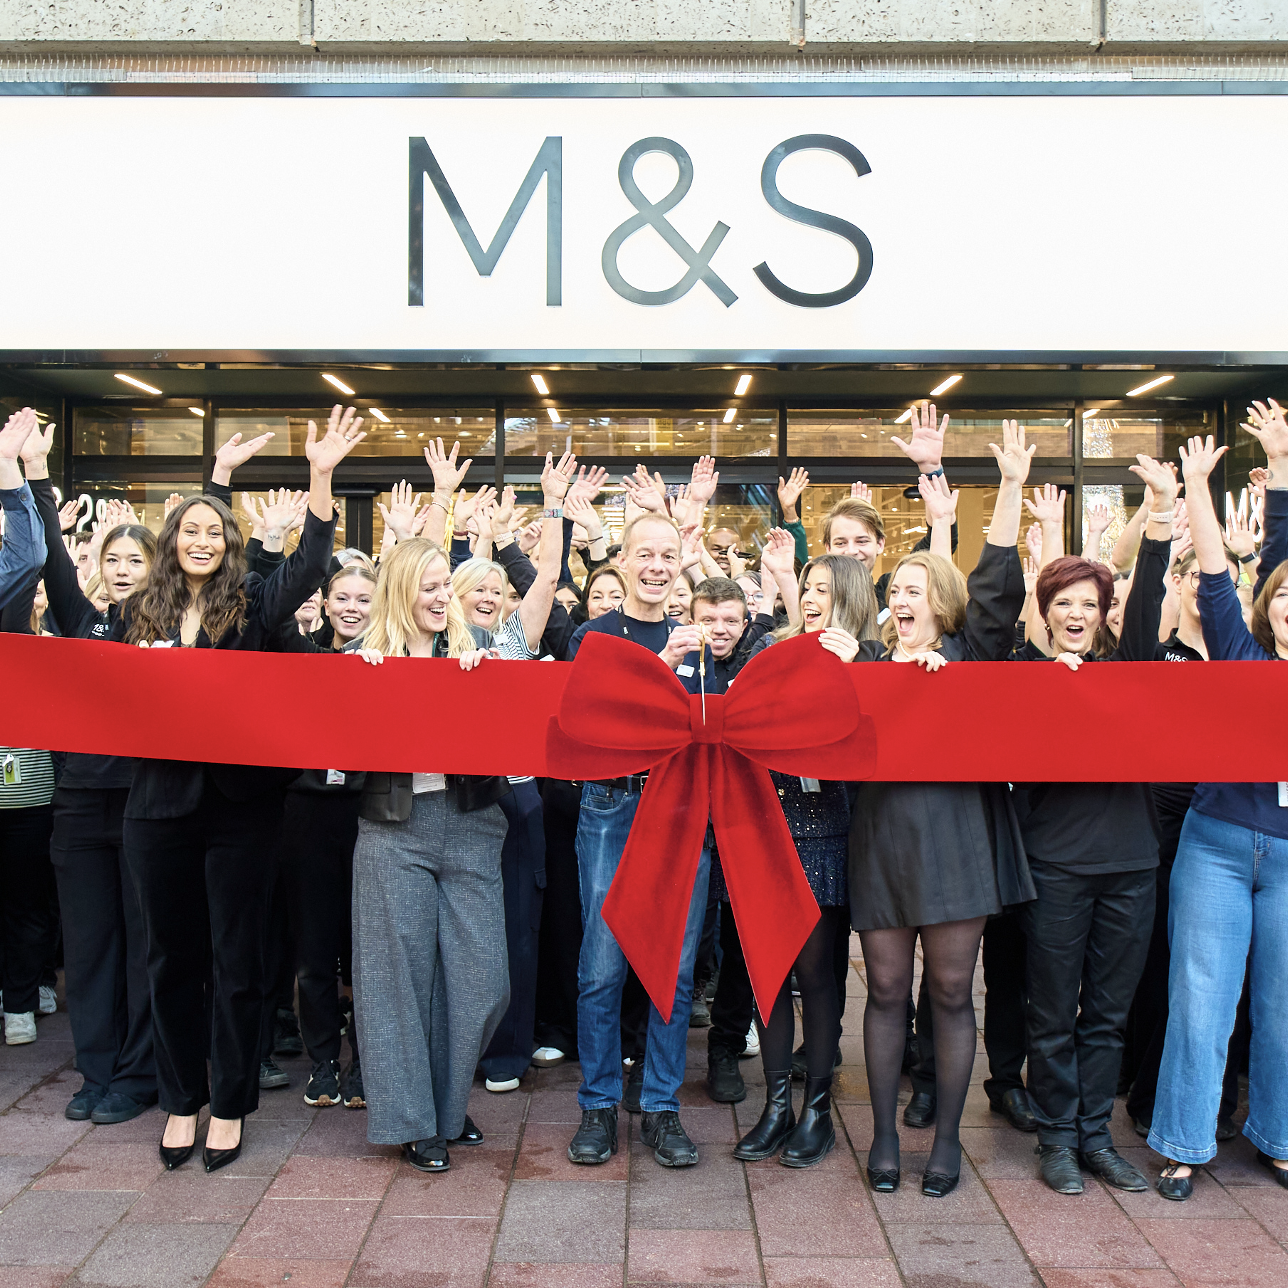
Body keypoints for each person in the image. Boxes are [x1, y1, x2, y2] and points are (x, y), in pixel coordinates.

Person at [114, 406, 359, 1175]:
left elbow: (308, 569)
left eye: (213, 533)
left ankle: (230, 1107)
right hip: (158, 810)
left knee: (238, 963)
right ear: (169, 542)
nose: (201, 542)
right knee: (169, 960)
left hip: (242, 812)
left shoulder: (250, 604)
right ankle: (180, 1101)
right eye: (189, 531)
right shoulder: (134, 613)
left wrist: (321, 479)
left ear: (226, 544)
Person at [348, 451, 570, 1174]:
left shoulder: (475, 647)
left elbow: (520, 715)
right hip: (392, 829)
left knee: (482, 981)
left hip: (474, 824)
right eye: (434, 585)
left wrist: (480, 680)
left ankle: (443, 1106)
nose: (445, 595)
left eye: (449, 584)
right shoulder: (366, 656)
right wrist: (372, 680)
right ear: (404, 589)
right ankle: (418, 1123)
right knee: (394, 979)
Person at [851, 421, 1035, 1199]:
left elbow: (997, 581)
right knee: (888, 992)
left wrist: (1011, 489)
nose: (898, 599)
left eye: (913, 591)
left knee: (954, 994)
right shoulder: (862, 662)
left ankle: (950, 1141)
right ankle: (887, 1138)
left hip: (959, 840)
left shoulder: (969, 657)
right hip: (883, 842)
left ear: (943, 607)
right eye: (894, 590)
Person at [1009, 452, 1177, 1197]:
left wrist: (1164, 510)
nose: (1077, 615)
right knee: (1051, 1013)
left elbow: (1143, 605)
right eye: (1063, 603)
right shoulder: (1028, 680)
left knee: (1107, 1016)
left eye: (1089, 603)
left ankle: (1093, 1137)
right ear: (1046, 613)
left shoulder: (1133, 669)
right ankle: (1055, 1140)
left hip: (1132, 864)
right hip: (1055, 867)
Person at [1148, 419, 1288, 1200]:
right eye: (1286, 598)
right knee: (1201, 999)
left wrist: (1280, 466)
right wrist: (1198, 488)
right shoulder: (1239, 657)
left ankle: (1279, 1137)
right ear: (1268, 608)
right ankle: (1183, 1142)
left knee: (1285, 1006)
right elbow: (1213, 569)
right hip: (1219, 846)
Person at [19, 418, 163, 1117]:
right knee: (90, 946)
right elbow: (48, 557)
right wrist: (39, 477)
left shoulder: (168, 630)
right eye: (115, 561)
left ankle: (138, 1077)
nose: (125, 570)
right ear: (99, 568)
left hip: (142, 804)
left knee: (143, 947)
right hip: (78, 806)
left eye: (137, 561)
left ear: (154, 569)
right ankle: (96, 1073)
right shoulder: (78, 619)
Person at [564, 511, 711, 1171]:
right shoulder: (592, 637)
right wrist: (661, 667)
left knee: (674, 973)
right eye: (643, 553)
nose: (655, 565)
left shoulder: (700, 638)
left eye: (666, 554)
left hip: (683, 810)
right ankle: (597, 1104)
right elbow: (593, 723)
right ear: (620, 561)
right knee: (602, 967)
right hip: (612, 806)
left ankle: (661, 1107)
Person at [732, 554, 877, 1167]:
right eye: (807, 586)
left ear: (848, 598)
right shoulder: (769, 647)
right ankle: (775, 1107)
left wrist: (857, 671)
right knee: (768, 975)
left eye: (825, 589)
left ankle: (817, 1109)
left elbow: (882, 735)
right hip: (764, 832)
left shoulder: (868, 657)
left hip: (827, 834)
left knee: (818, 978)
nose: (812, 596)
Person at [277, 563, 377, 1110]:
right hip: (307, 817)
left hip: (368, 815)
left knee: (366, 952)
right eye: (342, 596)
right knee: (314, 950)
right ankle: (322, 1062)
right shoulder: (301, 656)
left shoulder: (393, 661)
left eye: (364, 598)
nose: (352, 608)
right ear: (326, 599)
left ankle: (365, 1061)